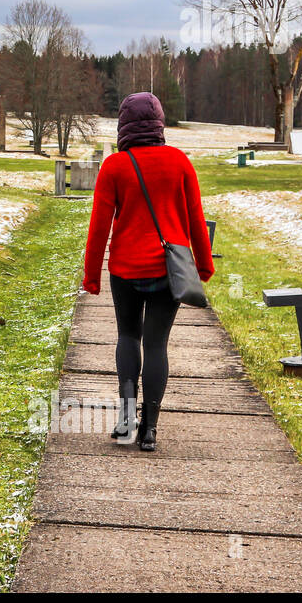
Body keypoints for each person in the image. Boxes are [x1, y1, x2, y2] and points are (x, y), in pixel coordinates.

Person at [82, 92, 213, 451]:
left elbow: (99, 227)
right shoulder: (179, 162)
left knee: (127, 337)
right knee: (156, 345)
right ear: (159, 123)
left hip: (124, 269)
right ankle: (150, 428)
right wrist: (203, 266)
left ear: (124, 124)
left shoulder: (114, 166)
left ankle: (127, 420)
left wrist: (92, 275)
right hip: (166, 270)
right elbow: (195, 220)